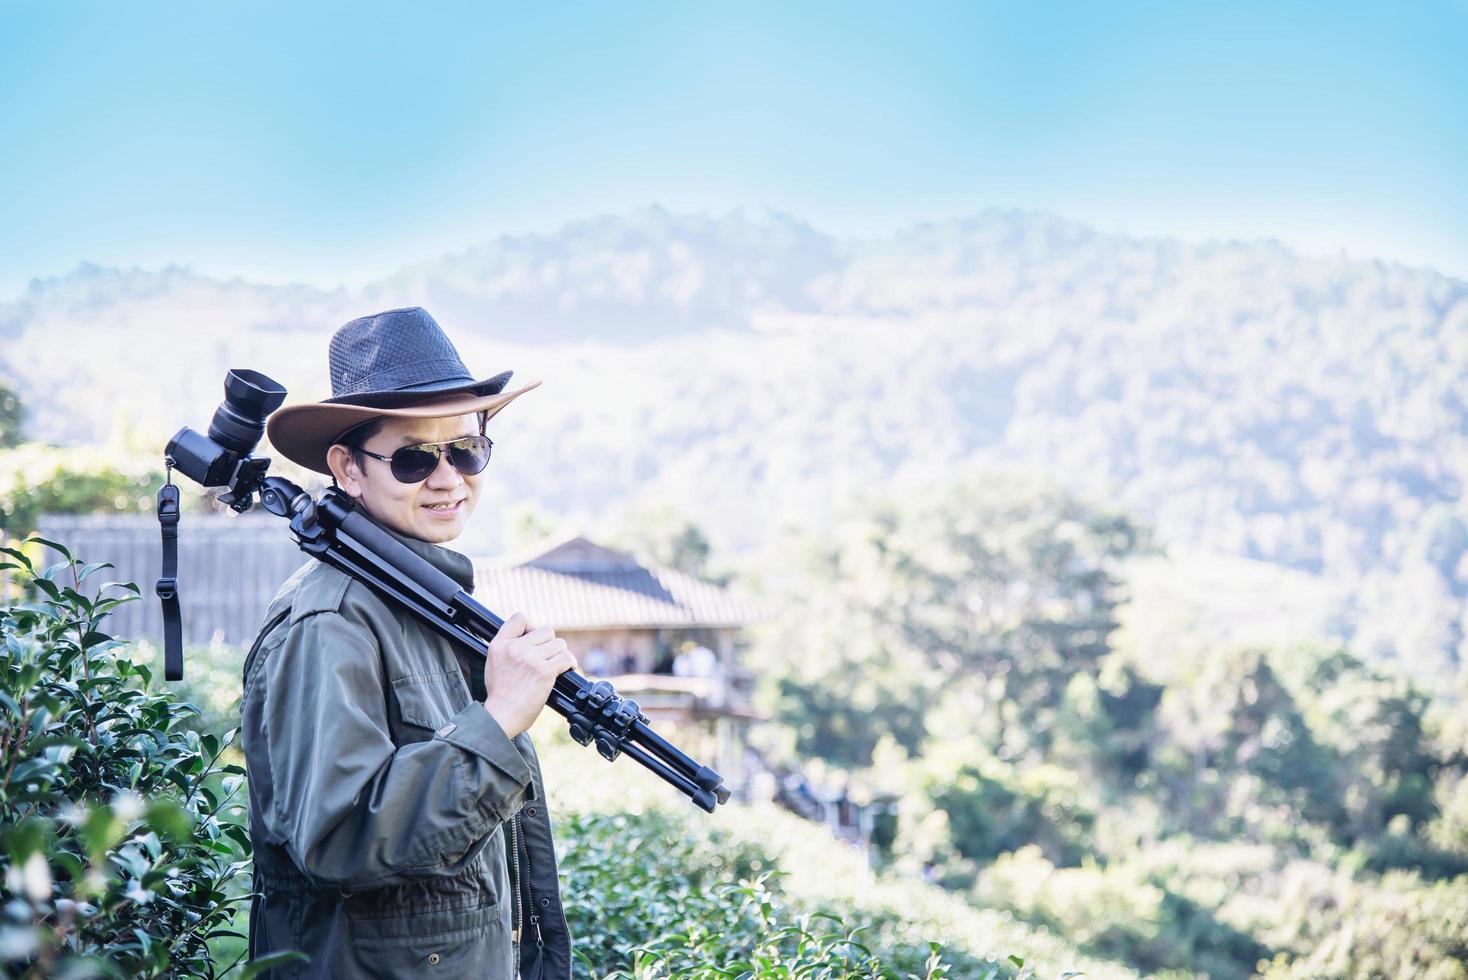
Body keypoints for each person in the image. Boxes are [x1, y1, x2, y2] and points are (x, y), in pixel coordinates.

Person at [240, 307, 575, 978]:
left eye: (467, 449)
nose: (449, 477)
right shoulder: (331, 622)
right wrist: (500, 716)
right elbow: (338, 839)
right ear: (349, 468)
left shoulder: (422, 603)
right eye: (415, 457)